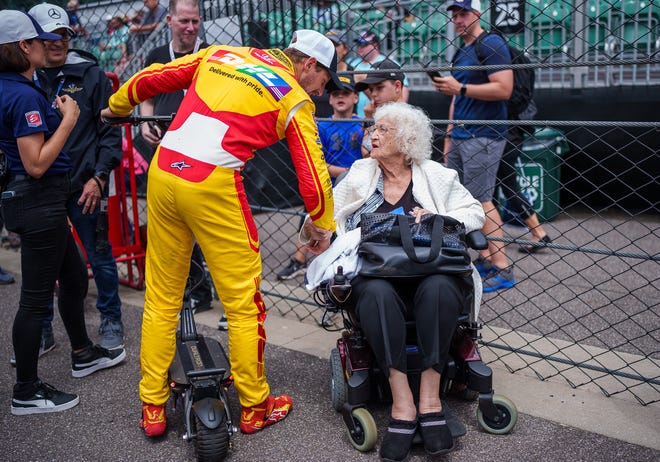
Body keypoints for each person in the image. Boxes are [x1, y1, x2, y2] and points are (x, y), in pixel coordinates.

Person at [100, 28, 338, 437]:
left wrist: (115, 106)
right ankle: (255, 406)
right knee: (244, 306)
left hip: (163, 172)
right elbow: (314, 179)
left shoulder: (222, 53)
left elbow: (150, 78)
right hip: (213, 185)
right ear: (309, 65)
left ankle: (153, 408)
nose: (321, 90)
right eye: (324, 80)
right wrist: (323, 226)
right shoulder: (294, 98)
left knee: (161, 298)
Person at [303, 102, 485, 460]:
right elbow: (327, 217)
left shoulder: (437, 175)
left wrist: (437, 217)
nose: (373, 133)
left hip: (430, 270)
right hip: (375, 274)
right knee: (375, 293)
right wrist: (314, 229)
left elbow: (475, 212)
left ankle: (430, 399)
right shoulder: (359, 172)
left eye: (384, 129)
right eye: (374, 127)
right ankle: (403, 402)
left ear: (407, 139)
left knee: (440, 287)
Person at [0, 9, 126, 415]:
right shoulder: (19, 93)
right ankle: (26, 390)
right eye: (38, 40)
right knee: (36, 299)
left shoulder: (19, 85)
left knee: (73, 278)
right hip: (38, 201)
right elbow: (36, 162)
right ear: (23, 46)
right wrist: (69, 119)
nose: (47, 44)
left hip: (45, 202)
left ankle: (82, 352)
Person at [29, 3, 126, 350]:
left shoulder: (91, 74)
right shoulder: (24, 78)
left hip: (86, 185)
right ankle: (41, 330)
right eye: (49, 36)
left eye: (64, 34)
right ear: (32, 40)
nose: (58, 42)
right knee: (43, 262)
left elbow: (110, 133)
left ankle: (111, 319)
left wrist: (99, 178)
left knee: (100, 256)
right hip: (41, 189)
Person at [431, 0, 516, 292]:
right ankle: (485, 256)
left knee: (482, 198)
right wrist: (449, 136)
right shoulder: (463, 50)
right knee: (463, 197)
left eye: (463, 13)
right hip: (463, 134)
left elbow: (504, 88)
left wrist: (461, 88)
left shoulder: (490, 43)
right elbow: (457, 98)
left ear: (477, 14)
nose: (457, 19)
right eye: (454, 15)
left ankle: (502, 267)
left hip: (485, 133)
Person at [139, 0, 214, 315]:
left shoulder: (211, 54)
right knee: (173, 225)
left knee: (205, 226)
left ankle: (204, 291)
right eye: (184, 21)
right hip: (166, 149)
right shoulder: (157, 56)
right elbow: (145, 95)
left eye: (195, 21)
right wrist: (145, 122)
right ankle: (188, 290)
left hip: (202, 152)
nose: (190, 28)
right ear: (169, 20)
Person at [277, 75, 363, 282]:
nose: (340, 97)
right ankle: (299, 261)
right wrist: (345, 172)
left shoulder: (363, 126)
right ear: (330, 99)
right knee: (308, 219)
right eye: (335, 94)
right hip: (327, 186)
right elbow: (318, 162)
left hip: (356, 189)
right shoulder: (321, 126)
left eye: (345, 93)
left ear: (355, 99)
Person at [498, 119, 552, 254]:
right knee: (497, 188)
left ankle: (539, 233)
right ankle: (493, 233)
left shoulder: (506, 99)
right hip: (510, 137)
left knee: (509, 188)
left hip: (505, 139)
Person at [347, 30, 409, 118]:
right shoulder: (351, 63)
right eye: (358, 44)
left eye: (364, 44)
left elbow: (402, 97)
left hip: (386, 117)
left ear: (375, 45)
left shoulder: (389, 63)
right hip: (357, 119)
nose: (360, 47)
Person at [311, 29, 353, 117]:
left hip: (347, 128)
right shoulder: (312, 73)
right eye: (327, 46)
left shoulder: (356, 74)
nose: (331, 49)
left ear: (345, 48)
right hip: (317, 127)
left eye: (335, 45)